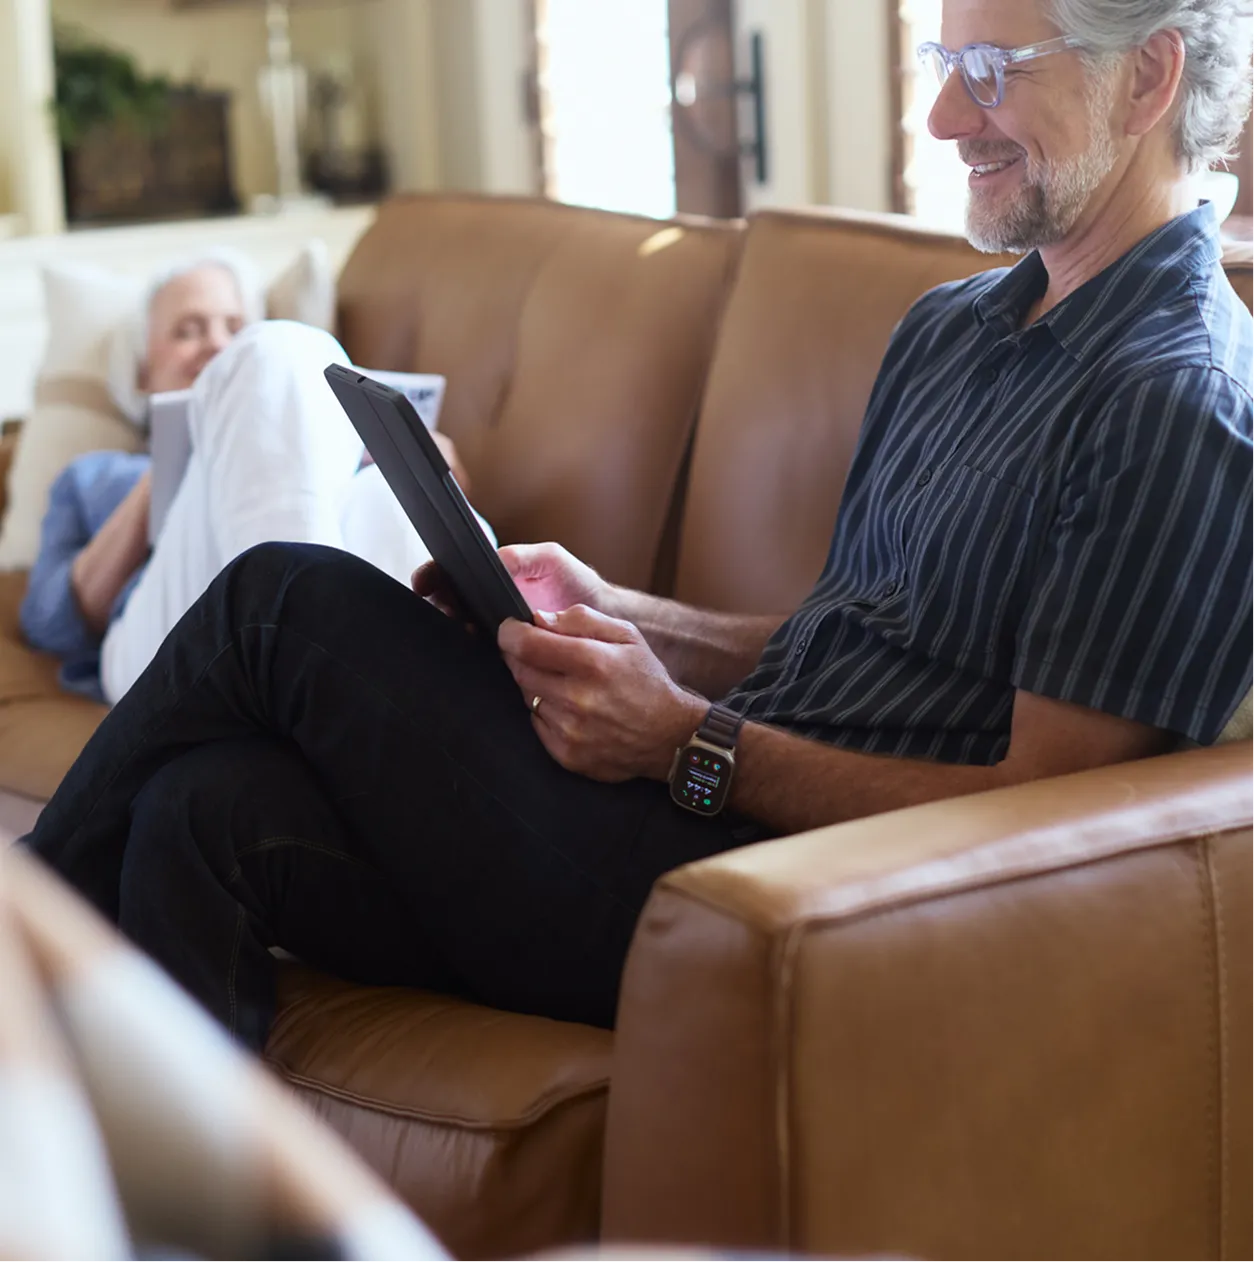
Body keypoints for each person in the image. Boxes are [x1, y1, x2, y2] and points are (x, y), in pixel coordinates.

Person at [24, 0, 1254, 1052]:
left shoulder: (1174, 402)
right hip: (693, 818)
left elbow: (1047, 819)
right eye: (943, 67)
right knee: (203, 807)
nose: (943, 120)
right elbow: (837, 645)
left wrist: (687, 744)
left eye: (993, 71)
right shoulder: (953, 327)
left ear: (1148, 75)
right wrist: (622, 610)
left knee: (280, 601)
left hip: (802, 901)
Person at [19, 252, 476, 703]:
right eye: (188, 330)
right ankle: (305, 665)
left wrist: (426, 467)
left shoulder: (307, 425)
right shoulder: (92, 476)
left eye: (233, 327)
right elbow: (49, 620)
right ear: (142, 371)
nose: (218, 345)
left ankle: (388, 712)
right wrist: (161, 477)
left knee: (381, 495)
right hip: (164, 644)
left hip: (316, 635)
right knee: (275, 349)